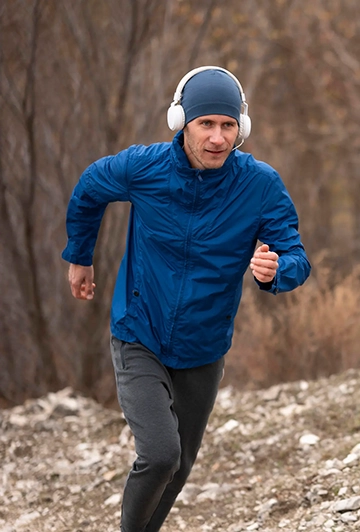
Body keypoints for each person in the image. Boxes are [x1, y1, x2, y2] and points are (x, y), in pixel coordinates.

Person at [62, 66, 311, 531]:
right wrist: (80, 256)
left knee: (177, 471)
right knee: (160, 454)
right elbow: (90, 186)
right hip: (140, 330)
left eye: (227, 125)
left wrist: (278, 270)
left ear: (241, 127)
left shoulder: (259, 185)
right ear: (182, 121)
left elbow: (295, 254)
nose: (217, 138)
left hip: (204, 345)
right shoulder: (145, 167)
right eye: (205, 124)